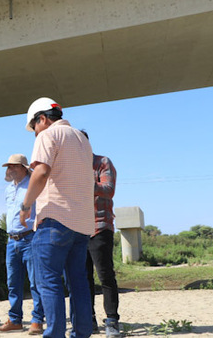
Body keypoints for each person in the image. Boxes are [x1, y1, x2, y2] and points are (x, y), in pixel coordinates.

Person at [19, 97, 94, 338]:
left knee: (49, 283)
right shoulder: (82, 139)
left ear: (42, 119)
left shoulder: (48, 135)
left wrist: (26, 205)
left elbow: (41, 171)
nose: (35, 134)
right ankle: (82, 334)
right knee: (79, 283)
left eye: (34, 128)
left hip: (54, 220)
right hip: (82, 224)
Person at [0, 154, 45, 335]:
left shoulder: (34, 183)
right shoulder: (9, 189)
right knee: (13, 283)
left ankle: (37, 320)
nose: (10, 169)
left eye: (14, 166)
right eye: (8, 166)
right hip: (12, 240)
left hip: (31, 238)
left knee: (35, 282)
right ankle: (15, 320)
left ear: (24, 167)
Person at [80, 130, 121, 338]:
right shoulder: (69, 168)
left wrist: (83, 181)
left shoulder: (102, 162)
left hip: (100, 226)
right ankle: (90, 320)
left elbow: (108, 189)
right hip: (77, 229)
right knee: (83, 278)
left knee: (105, 275)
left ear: (85, 144)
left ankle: (112, 321)